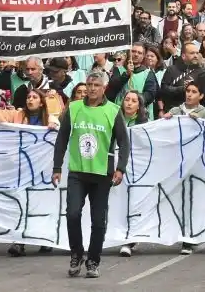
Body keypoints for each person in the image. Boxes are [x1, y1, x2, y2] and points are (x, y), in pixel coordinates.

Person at [52, 71, 130, 280]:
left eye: (96, 84)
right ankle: (76, 253)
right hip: (78, 172)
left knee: (98, 222)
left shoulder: (113, 111)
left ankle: (93, 260)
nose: (92, 88)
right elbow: (61, 139)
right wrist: (57, 167)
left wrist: (120, 168)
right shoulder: (75, 108)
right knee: (73, 214)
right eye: (89, 84)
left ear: (104, 87)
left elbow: (124, 142)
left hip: (102, 174)